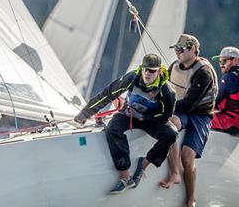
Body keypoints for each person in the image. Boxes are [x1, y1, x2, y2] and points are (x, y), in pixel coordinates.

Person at [74, 53, 177, 195]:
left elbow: (165, 116)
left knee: (171, 134)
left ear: (159, 71)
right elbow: (107, 94)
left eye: (152, 70)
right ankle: (125, 176)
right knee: (112, 128)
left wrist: (144, 117)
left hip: (150, 120)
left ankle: (144, 165)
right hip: (128, 114)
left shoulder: (167, 92)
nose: (147, 73)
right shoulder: (132, 78)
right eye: (145, 69)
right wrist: (84, 114)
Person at [161, 33, 217, 207]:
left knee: (188, 157)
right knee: (170, 125)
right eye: (176, 49)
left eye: (181, 49)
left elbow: (189, 104)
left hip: (200, 115)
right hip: (182, 110)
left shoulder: (203, 72)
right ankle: (174, 172)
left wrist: (164, 107)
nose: (177, 53)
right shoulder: (173, 67)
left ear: (193, 49)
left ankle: (191, 201)